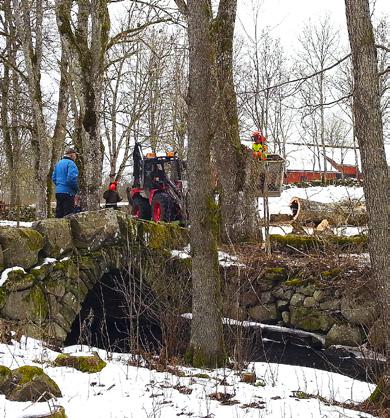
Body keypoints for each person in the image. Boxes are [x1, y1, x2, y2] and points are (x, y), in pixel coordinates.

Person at [52, 148, 79, 218]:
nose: (76, 157)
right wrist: (76, 189)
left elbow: (54, 178)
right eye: (75, 155)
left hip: (58, 192)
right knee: (68, 215)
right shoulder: (71, 164)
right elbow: (71, 179)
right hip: (68, 193)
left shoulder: (58, 163)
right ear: (72, 155)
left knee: (59, 214)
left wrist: (59, 185)